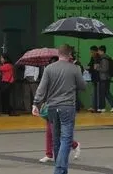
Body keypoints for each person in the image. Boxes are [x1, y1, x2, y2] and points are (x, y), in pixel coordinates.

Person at [32, 44, 87, 174]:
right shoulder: (74, 68)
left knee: (56, 139)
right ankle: (60, 169)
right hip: (67, 107)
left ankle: (61, 169)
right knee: (66, 138)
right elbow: (83, 86)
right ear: (69, 55)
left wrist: (36, 103)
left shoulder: (49, 68)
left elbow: (42, 87)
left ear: (58, 54)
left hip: (52, 107)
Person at [97, 45, 113, 113]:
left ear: (102, 51)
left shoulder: (104, 59)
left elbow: (105, 69)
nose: (98, 52)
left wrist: (97, 68)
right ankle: (106, 107)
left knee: (104, 92)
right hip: (106, 78)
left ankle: (110, 106)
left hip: (104, 78)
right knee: (105, 92)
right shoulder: (106, 58)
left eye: (99, 50)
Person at [87, 46, 101, 112]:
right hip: (94, 77)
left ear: (96, 51)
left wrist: (90, 68)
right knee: (94, 93)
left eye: (92, 52)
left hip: (98, 78)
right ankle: (94, 107)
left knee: (97, 93)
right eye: (90, 52)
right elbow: (90, 65)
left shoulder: (98, 58)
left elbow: (96, 68)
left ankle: (97, 107)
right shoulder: (93, 58)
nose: (91, 53)